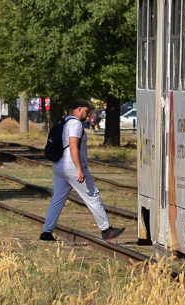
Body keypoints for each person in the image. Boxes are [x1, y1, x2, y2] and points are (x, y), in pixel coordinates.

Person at [41, 99, 124, 243]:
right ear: (79, 109)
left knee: (57, 199)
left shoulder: (65, 121)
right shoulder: (76, 124)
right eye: (86, 111)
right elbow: (73, 147)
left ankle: (46, 232)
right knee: (92, 195)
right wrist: (79, 169)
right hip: (72, 166)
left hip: (59, 166)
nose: (88, 114)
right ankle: (106, 230)